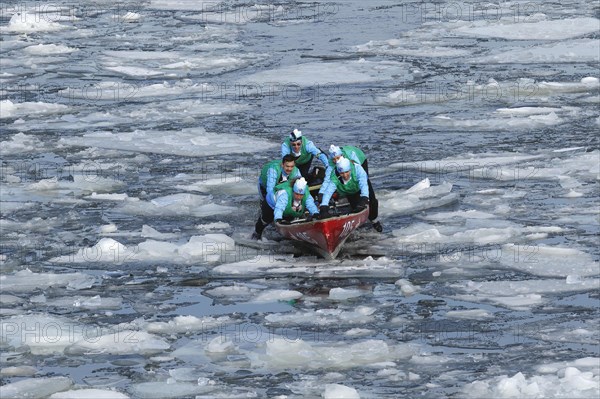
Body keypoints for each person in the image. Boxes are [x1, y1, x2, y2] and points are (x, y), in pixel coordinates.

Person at [319, 157, 382, 232]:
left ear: (350, 170)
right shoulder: (334, 176)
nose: (345, 175)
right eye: (342, 173)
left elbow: (364, 185)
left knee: (372, 202)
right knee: (355, 207)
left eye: (347, 172)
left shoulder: (358, 170)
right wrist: (324, 206)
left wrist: (364, 198)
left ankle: (374, 221)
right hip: (349, 190)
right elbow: (328, 191)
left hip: (359, 186)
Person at [253, 154, 301, 240]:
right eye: (287, 166)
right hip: (266, 189)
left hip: (283, 192)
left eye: (291, 166)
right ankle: (257, 233)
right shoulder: (273, 170)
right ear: (282, 165)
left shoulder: (296, 172)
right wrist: (278, 207)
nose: (289, 169)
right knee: (267, 215)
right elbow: (270, 191)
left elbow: (300, 189)